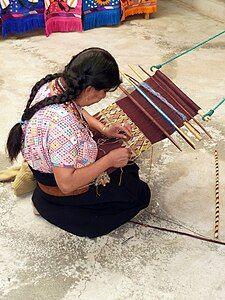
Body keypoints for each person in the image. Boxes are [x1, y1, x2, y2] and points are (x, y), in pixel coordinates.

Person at [6, 47, 150, 238]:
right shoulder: (64, 128)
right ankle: (49, 206)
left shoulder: (55, 85)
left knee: (129, 170)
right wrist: (108, 161)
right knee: (138, 194)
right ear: (90, 89)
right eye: (104, 91)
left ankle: (46, 201)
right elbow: (66, 184)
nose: (104, 96)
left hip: (47, 167)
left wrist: (103, 129)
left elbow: (75, 108)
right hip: (61, 186)